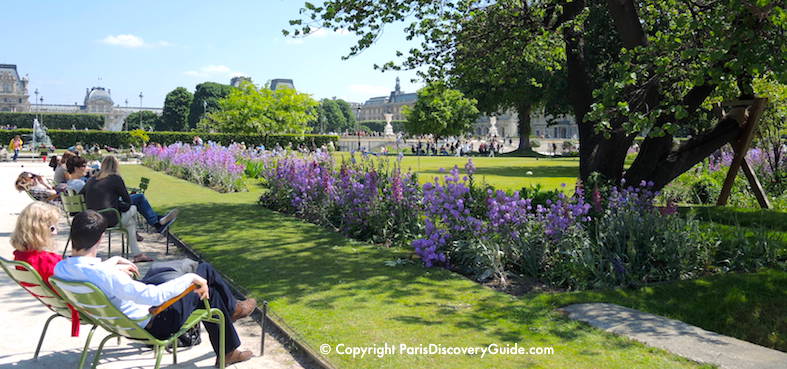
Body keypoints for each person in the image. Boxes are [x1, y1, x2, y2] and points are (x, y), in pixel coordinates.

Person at [54, 211, 255, 366]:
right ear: (99, 239)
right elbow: (153, 296)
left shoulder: (61, 269)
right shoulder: (104, 275)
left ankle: (229, 339)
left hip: (124, 322)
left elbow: (89, 269)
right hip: (157, 322)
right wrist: (192, 278)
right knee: (204, 273)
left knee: (187, 283)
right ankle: (234, 314)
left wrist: (113, 261)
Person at [81, 156, 178, 263]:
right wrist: (119, 204)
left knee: (131, 222)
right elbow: (127, 203)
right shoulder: (115, 179)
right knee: (135, 205)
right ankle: (156, 223)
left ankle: (138, 254)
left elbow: (82, 194)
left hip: (94, 219)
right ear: (116, 166)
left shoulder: (91, 180)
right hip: (111, 219)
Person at [11, 202, 83, 336]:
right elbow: (80, 278)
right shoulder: (46, 261)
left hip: (58, 304)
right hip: (84, 304)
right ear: (40, 230)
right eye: (52, 227)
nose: (56, 232)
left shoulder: (21, 258)